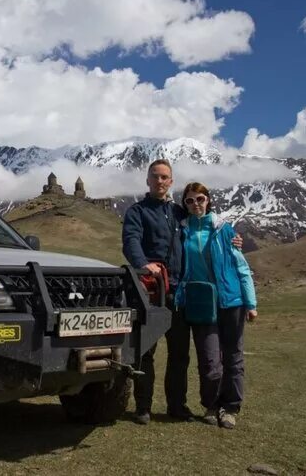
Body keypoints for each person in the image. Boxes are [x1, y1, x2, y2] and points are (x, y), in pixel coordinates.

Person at [122, 160, 242, 424]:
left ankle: (177, 406)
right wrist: (143, 264)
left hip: (178, 294)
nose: (160, 181)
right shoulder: (137, 212)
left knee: (179, 354)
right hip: (150, 293)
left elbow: (206, 226)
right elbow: (131, 241)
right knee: (146, 351)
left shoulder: (180, 213)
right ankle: (143, 407)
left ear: (171, 182)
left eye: (165, 177)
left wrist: (232, 238)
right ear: (147, 180)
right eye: (155, 177)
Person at [175, 182, 257, 430]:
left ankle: (230, 407)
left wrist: (251, 303)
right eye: (189, 201)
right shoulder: (183, 231)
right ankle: (211, 404)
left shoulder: (224, 229)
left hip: (231, 301)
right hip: (201, 303)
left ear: (208, 200)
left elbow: (242, 267)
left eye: (199, 199)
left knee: (233, 357)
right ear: (185, 205)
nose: (195, 204)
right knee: (210, 361)